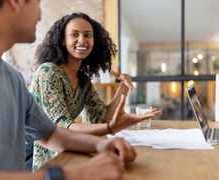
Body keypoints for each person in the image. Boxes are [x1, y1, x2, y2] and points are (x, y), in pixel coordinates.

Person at [0, 1, 139, 179]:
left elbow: (50, 135)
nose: (40, 14)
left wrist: (100, 145)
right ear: (16, 2)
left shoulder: (12, 78)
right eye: (38, 1)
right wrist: (74, 174)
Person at [29, 12, 162, 170]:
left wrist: (125, 85)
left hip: (73, 155)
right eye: (74, 34)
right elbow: (62, 127)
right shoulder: (49, 72)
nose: (82, 40)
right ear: (63, 40)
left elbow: (102, 117)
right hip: (49, 163)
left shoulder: (83, 79)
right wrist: (111, 128)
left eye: (88, 35)